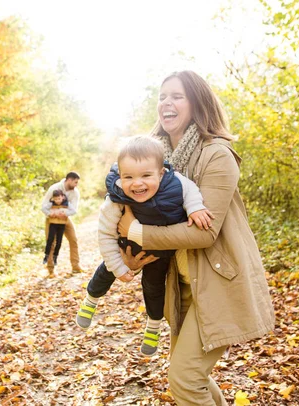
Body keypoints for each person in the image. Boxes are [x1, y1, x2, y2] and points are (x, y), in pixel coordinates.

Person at [117, 71, 275, 405]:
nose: (167, 103)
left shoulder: (217, 154)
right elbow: (128, 210)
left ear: (197, 103)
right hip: (182, 280)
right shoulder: (154, 160)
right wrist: (128, 252)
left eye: (177, 96)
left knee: (185, 378)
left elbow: (203, 234)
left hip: (219, 280)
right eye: (162, 97)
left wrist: (137, 232)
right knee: (191, 376)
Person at [75, 135, 214, 356]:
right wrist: (119, 267)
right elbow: (105, 234)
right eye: (128, 176)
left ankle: (153, 327)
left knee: (154, 287)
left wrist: (195, 207)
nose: (137, 183)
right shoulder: (117, 198)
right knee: (106, 271)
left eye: (146, 175)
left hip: (159, 252)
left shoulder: (176, 182)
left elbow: (190, 191)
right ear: (120, 176)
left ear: (161, 173)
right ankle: (91, 298)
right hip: (126, 246)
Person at [41, 171, 82, 276]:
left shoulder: (75, 193)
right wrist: (51, 213)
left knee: (73, 240)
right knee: (51, 243)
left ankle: (76, 266)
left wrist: (64, 213)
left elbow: (74, 209)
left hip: (65, 219)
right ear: (69, 180)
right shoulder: (54, 188)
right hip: (52, 220)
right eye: (75, 182)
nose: (76, 185)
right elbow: (44, 205)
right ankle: (51, 270)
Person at [42, 190, 73, 267]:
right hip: (53, 223)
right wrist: (50, 214)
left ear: (62, 197)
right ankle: (46, 256)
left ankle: (55, 257)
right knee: (50, 240)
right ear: (53, 199)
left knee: (59, 241)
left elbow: (74, 211)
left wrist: (65, 214)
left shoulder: (66, 204)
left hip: (61, 224)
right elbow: (43, 209)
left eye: (59, 199)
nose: (58, 201)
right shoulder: (51, 204)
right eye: (56, 199)